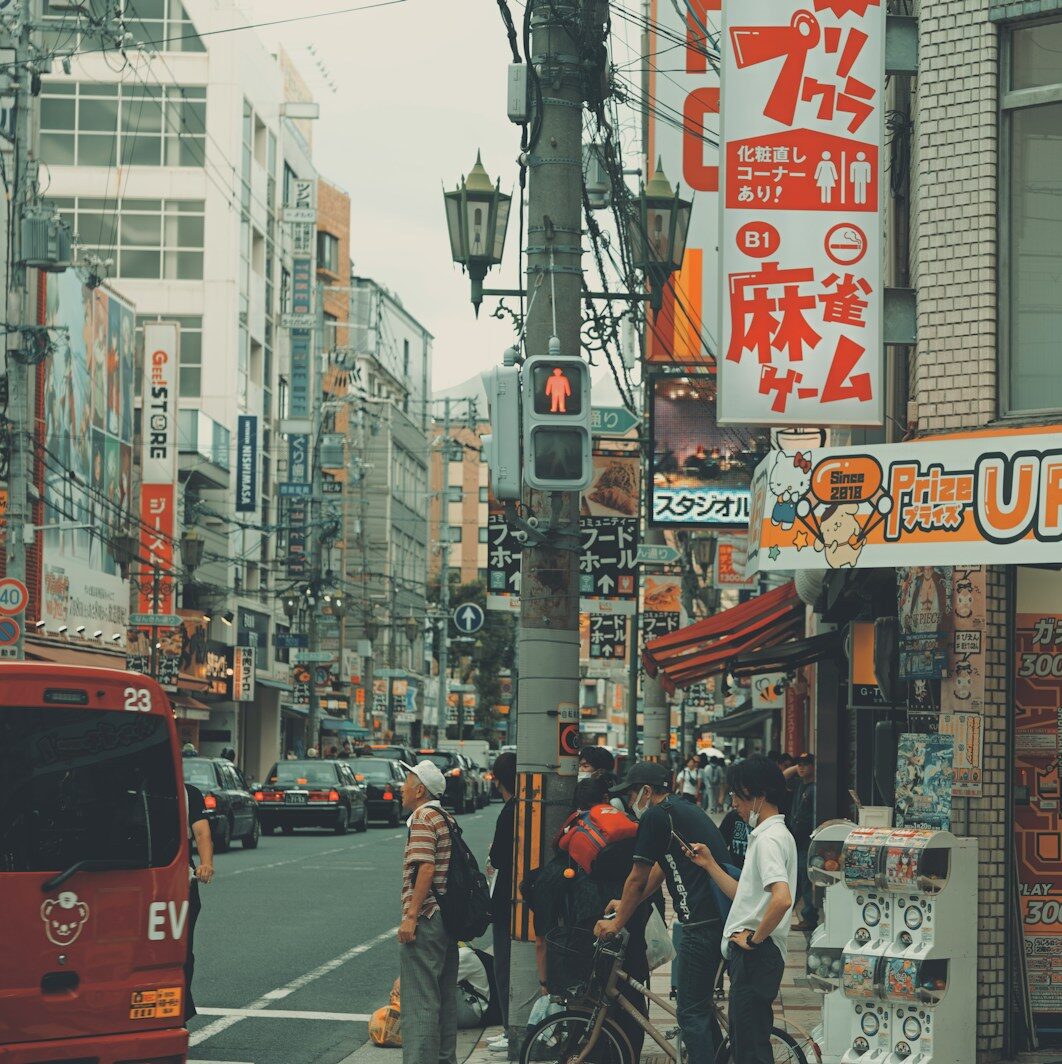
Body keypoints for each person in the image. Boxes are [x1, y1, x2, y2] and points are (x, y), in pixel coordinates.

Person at [594, 761, 731, 1064]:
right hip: (710, 919)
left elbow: (638, 874)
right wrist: (628, 902)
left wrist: (617, 922)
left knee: (689, 1013)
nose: (630, 802)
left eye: (631, 793)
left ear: (646, 791)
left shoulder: (656, 815)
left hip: (701, 923)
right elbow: (661, 866)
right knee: (700, 1008)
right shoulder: (677, 810)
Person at [689, 755, 797, 1064]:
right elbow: (745, 895)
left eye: (738, 795)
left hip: (756, 955)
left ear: (759, 796)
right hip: (757, 955)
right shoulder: (773, 836)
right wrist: (710, 864)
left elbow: (782, 898)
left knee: (749, 1048)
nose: (734, 802)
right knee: (746, 1041)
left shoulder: (769, 840)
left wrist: (754, 939)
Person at [397, 759, 458, 1064]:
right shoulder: (446, 817)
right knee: (443, 1001)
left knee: (420, 1002)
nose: (402, 788)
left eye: (407, 782)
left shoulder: (422, 817)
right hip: (447, 919)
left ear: (419, 789)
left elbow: (426, 867)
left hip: (427, 919)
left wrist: (411, 916)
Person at [484, 752, 516, 1056]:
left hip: (507, 898)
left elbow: (498, 858)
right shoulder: (526, 808)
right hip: (522, 898)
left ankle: (511, 1030)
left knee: (504, 967)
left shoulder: (509, 811)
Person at [184, 781, 214, 1022]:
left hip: (178, 874)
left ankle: (179, 1011)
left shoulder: (188, 793)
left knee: (182, 951)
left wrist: (206, 864)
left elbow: (202, 832)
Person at [786, 754, 818, 931]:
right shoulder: (800, 785)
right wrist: (796, 768)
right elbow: (782, 777)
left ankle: (810, 917)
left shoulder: (814, 789)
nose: (801, 767)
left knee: (804, 881)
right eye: (799, 764)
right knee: (797, 879)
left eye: (806, 764)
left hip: (806, 842)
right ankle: (793, 912)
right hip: (796, 840)